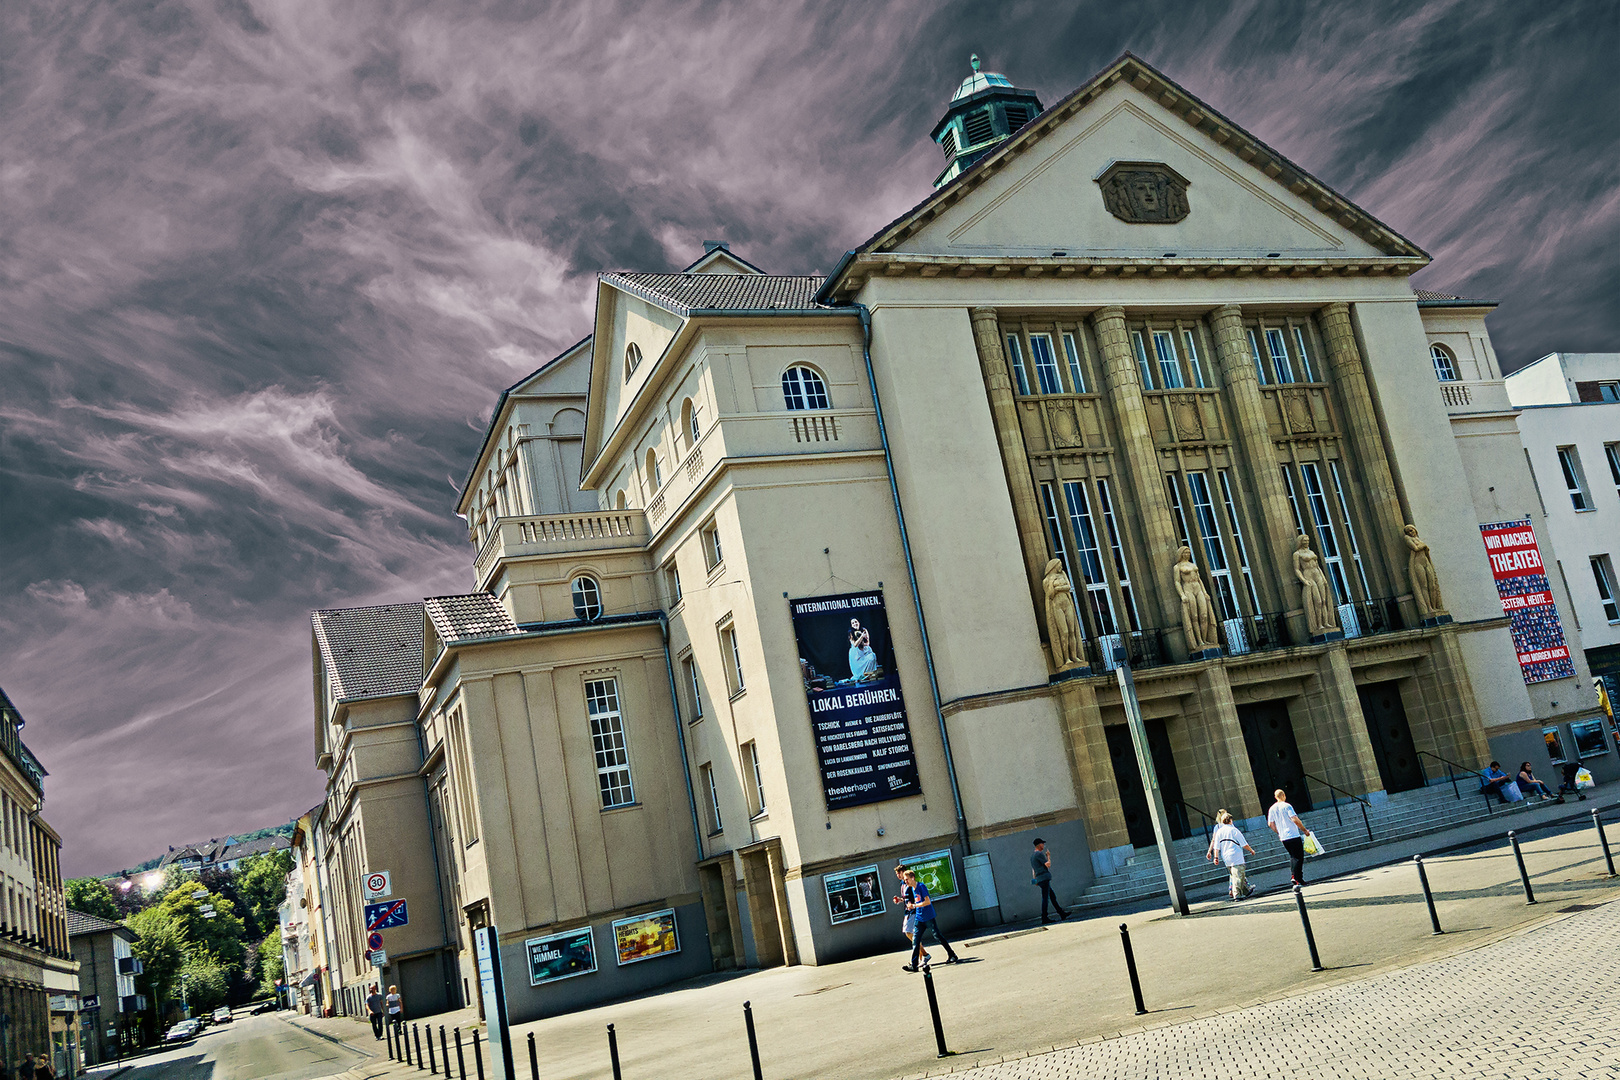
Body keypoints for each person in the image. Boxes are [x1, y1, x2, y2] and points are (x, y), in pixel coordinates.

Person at [900, 868, 959, 971]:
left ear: (912, 878)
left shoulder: (921, 887)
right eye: (904, 880)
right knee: (915, 940)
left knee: (937, 936)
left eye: (907, 879)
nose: (905, 881)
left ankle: (952, 954)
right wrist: (911, 905)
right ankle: (914, 965)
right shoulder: (913, 889)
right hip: (919, 918)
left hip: (928, 917)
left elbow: (927, 902)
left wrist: (914, 905)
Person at [1266, 788, 1312, 886]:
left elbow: (1270, 823)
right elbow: (1294, 819)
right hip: (1293, 834)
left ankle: (1296, 876)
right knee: (1298, 857)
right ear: (1284, 796)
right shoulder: (1287, 806)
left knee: (1293, 856)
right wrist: (1304, 830)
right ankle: (1296, 877)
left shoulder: (1272, 808)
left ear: (1275, 797)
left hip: (1283, 837)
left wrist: (1278, 832)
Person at [1207, 810, 1256, 900]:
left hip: (1226, 857)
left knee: (1235, 875)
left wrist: (1216, 857)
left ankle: (1246, 891)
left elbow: (1216, 846)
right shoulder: (1233, 830)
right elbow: (1243, 843)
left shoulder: (1219, 831)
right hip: (1236, 855)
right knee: (1238, 875)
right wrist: (1251, 850)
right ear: (1230, 820)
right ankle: (1237, 894)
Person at [891, 863, 931, 967]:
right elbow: (906, 898)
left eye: (898, 873)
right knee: (911, 933)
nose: (898, 876)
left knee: (909, 933)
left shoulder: (909, 883)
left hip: (913, 911)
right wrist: (900, 900)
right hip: (907, 911)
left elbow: (915, 896)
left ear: (903, 872)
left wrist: (914, 905)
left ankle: (923, 955)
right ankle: (923, 955)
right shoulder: (902, 884)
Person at [1029, 838, 1069, 923]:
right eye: (1043, 844)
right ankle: (1044, 917)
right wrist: (1048, 856)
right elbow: (1048, 865)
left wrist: (1034, 881)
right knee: (1045, 898)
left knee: (1052, 896)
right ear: (1039, 845)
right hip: (1044, 878)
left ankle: (1061, 913)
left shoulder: (1032, 856)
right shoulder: (1039, 854)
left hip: (1039, 879)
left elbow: (1033, 869)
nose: (1043, 845)